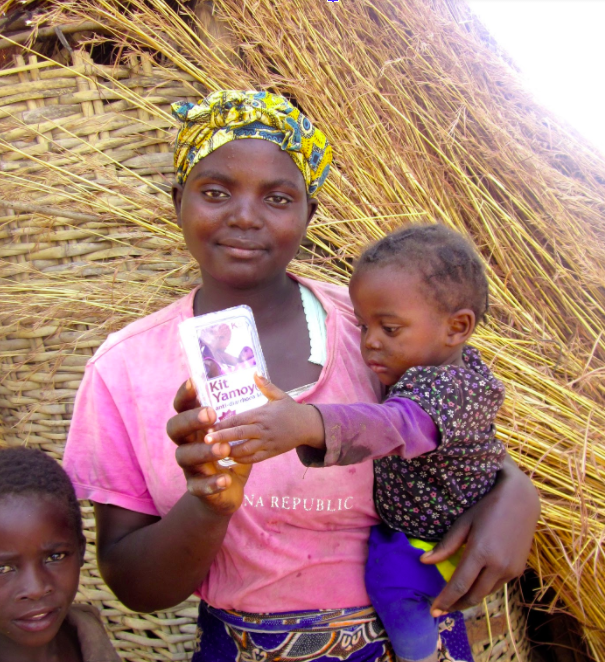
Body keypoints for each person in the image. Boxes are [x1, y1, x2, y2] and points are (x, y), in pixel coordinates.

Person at [63, 90, 540, 662]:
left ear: (308, 215)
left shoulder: (377, 328)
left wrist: (517, 495)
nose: (244, 215)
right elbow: (136, 586)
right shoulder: (123, 370)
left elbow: (452, 423)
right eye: (215, 192)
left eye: (278, 198)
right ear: (177, 202)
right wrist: (210, 505)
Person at [207, 225, 507, 662]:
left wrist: (309, 423)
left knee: (391, 583)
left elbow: (393, 426)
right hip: (414, 527)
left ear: (457, 327)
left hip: (434, 541)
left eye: (389, 328)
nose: (370, 343)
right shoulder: (446, 366)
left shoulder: (449, 391)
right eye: (364, 326)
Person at [0, 446, 120, 662]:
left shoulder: (87, 636)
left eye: (55, 557)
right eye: (4, 569)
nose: (36, 589)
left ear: (81, 549)